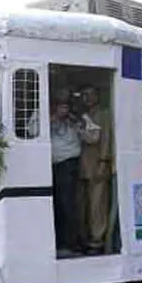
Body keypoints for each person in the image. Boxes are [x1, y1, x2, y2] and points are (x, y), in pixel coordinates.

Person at [78, 85, 112, 255]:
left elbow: (104, 138)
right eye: (84, 95)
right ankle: (88, 237)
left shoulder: (103, 114)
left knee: (98, 204)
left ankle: (98, 239)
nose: (87, 98)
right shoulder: (86, 115)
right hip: (84, 165)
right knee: (87, 204)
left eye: (90, 94)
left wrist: (103, 161)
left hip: (98, 164)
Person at [50, 89, 83, 256]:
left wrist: (76, 123)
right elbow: (32, 130)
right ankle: (58, 241)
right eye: (60, 105)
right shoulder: (47, 118)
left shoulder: (75, 120)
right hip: (51, 165)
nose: (63, 109)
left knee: (67, 204)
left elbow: (90, 137)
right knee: (55, 204)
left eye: (66, 106)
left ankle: (70, 243)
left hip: (68, 164)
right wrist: (53, 119)